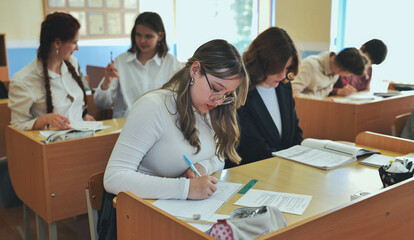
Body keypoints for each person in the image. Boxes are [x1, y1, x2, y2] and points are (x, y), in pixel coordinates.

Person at [98, 39, 249, 239]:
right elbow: (113, 178)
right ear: (195, 70)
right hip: (139, 217)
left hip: (181, 214)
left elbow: (219, 157)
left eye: (227, 94)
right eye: (216, 88)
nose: (219, 100)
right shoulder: (154, 107)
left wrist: (202, 167)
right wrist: (185, 188)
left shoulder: (208, 107)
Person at [225, 27, 303, 168]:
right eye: (278, 68)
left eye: (287, 68)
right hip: (251, 171)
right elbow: (251, 147)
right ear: (261, 62)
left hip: (284, 170)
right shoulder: (239, 90)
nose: (283, 75)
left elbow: (295, 132)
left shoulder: (284, 86)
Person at [8, 12, 94, 131]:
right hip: (50, 146)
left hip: (80, 138)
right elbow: (17, 127)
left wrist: (82, 116)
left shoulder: (72, 63)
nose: (77, 48)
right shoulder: (23, 80)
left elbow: (71, 106)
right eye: (74, 42)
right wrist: (44, 120)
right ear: (57, 43)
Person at [94, 12, 181, 118]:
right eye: (138, 35)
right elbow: (101, 104)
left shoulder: (170, 62)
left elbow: (180, 99)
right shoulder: (121, 61)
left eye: (148, 36)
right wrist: (106, 83)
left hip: (160, 125)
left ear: (160, 36)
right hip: (125, 126)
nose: (142, 40)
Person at [291, 47, 369, 99]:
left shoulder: (335, 72)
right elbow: (292, 92)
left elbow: (325, 93)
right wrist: (319, 101)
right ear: (343, 71)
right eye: (350, 74)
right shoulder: (310, 65)